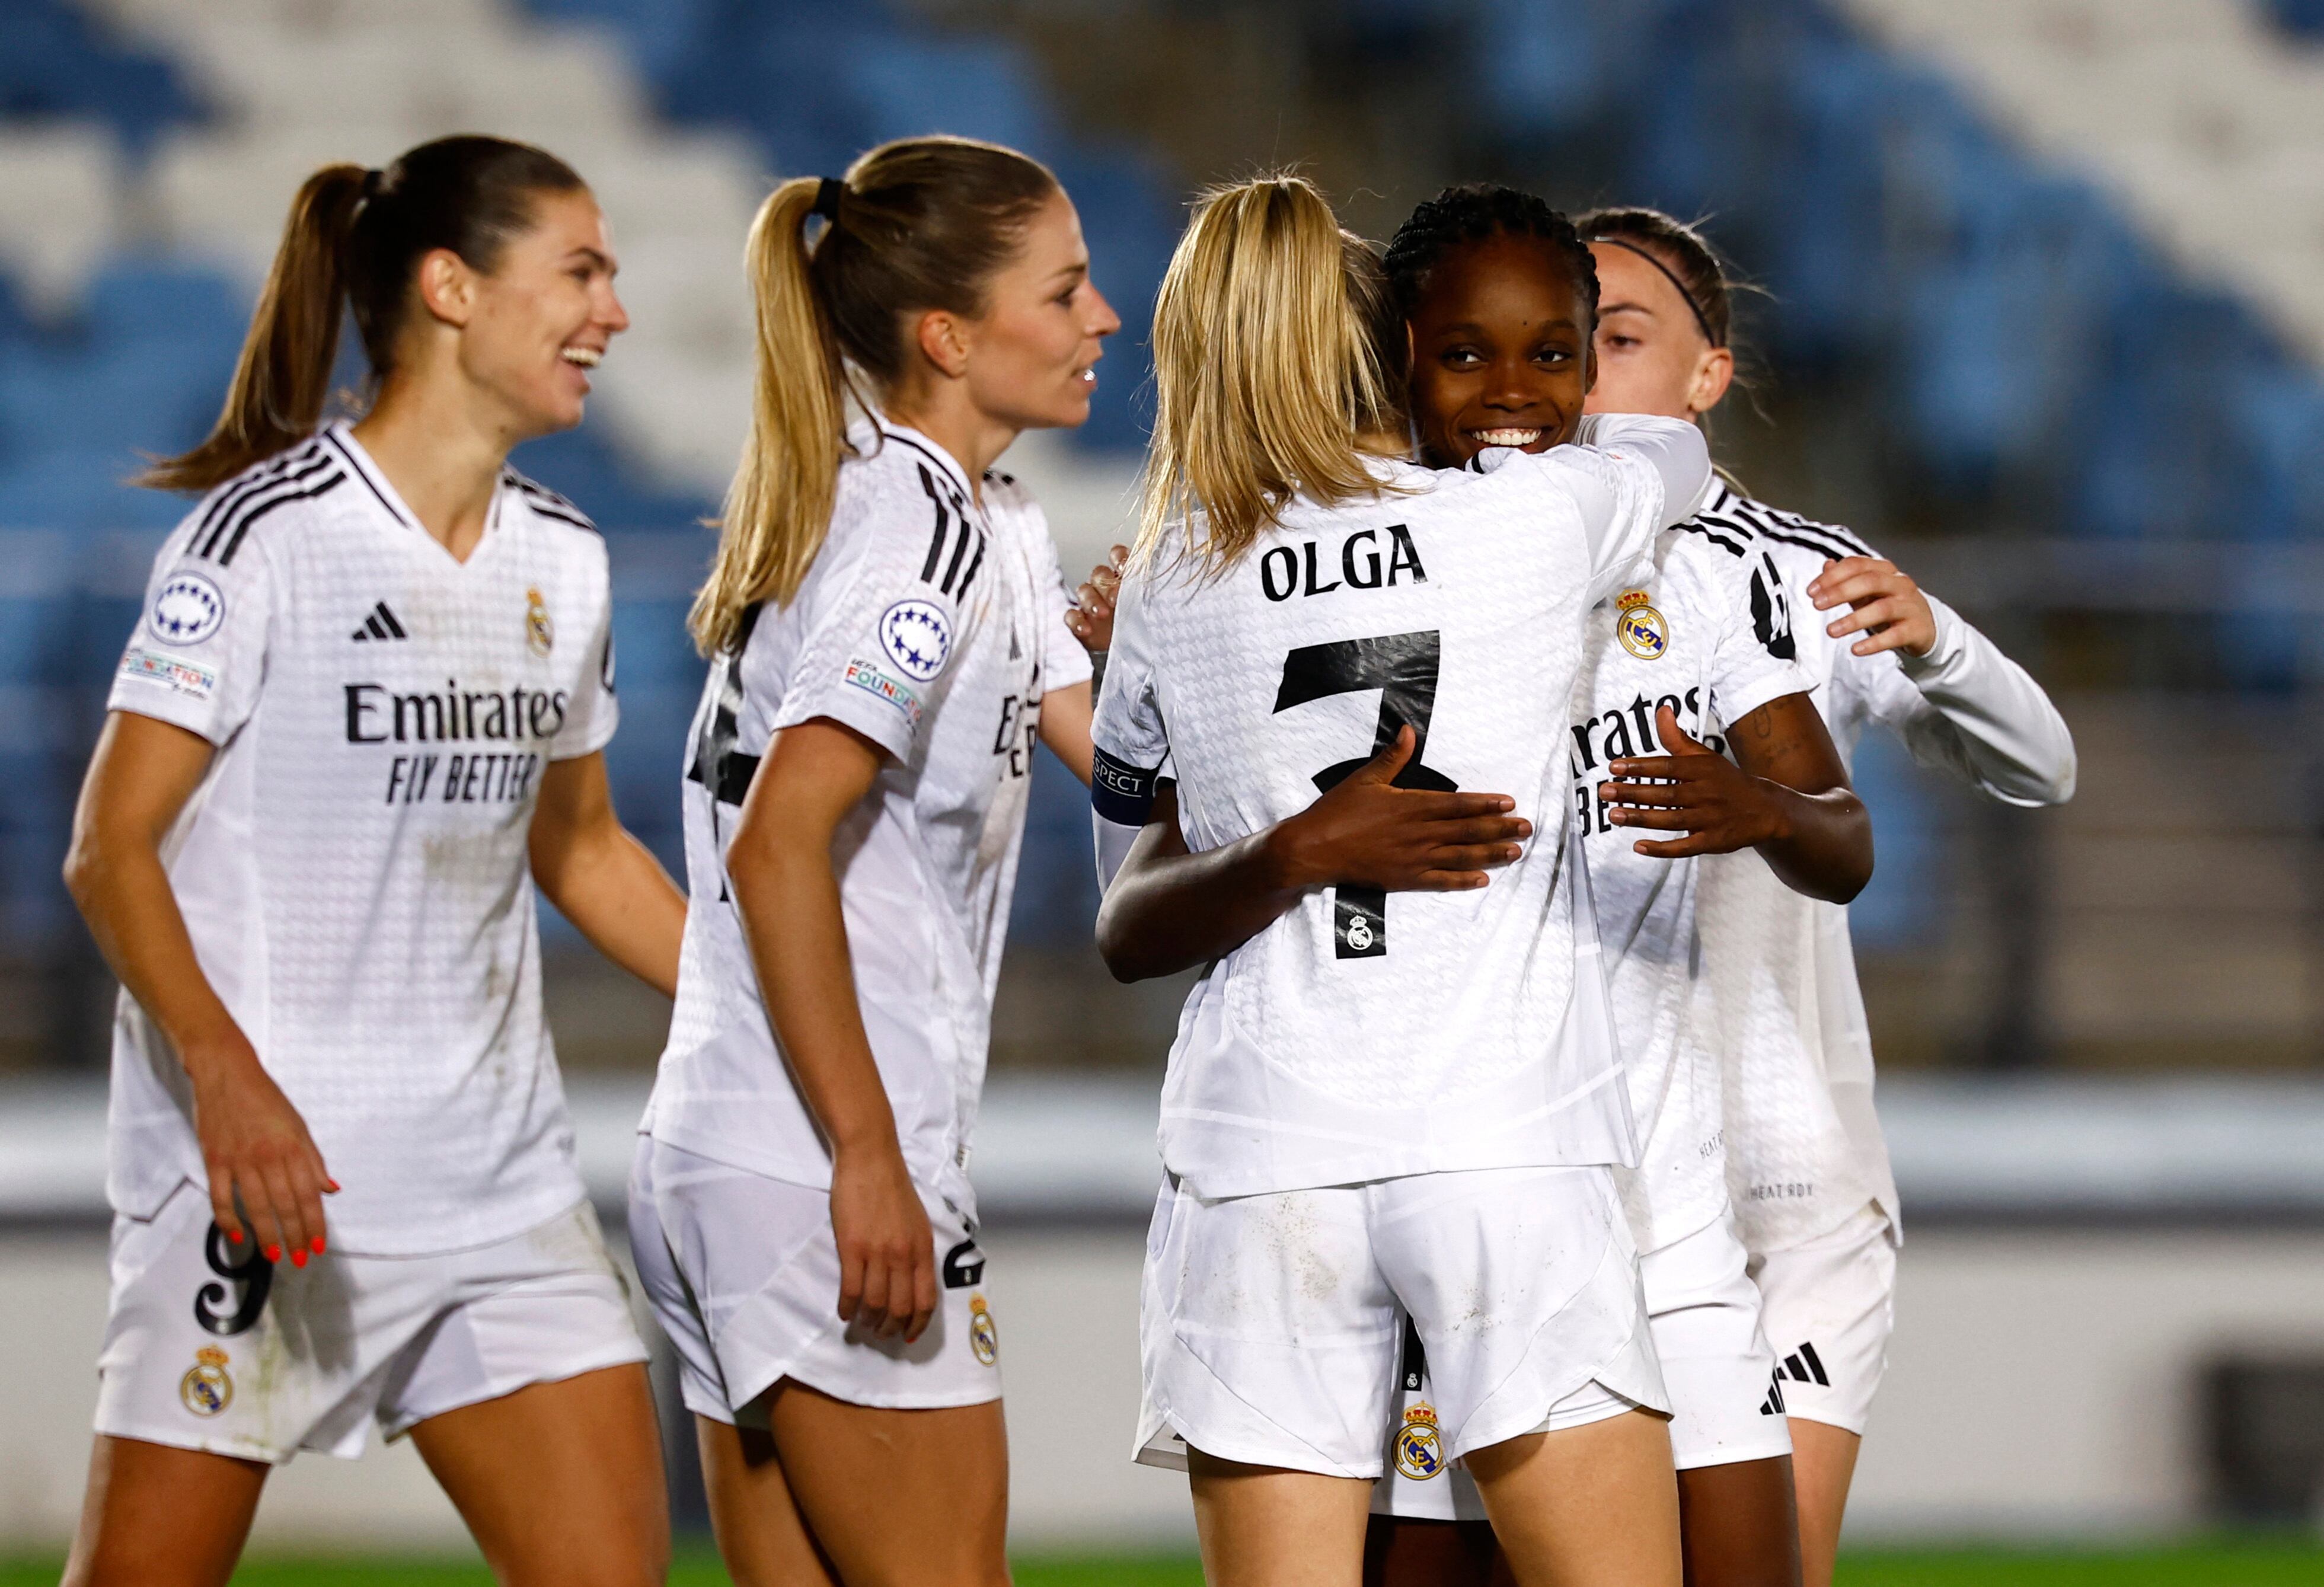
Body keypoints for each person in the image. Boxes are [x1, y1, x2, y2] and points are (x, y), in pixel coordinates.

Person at [1077, 184, 1876, 1587]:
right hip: (1504, 1138)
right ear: (1389, 348)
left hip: (1258, 1160)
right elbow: (1666, 455)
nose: (1515, 388)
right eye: (1469, 353)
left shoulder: (1171, 570)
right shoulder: (1541, 524)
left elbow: (1125, 921)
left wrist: (1292, 853)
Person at [60, 136, 685, 1587]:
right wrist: (227, 1079)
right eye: (581, 271)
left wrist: (767, 1019)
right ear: (453, 288)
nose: (615, 311)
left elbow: (582, 852)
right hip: (268, 1193)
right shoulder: (262, 539)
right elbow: (110, 848)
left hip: (501, 1193)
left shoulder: (566, 560)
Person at [626, 136, 1117, 1587]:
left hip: (723, 1144)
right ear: (949, 335)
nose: (1102, 320)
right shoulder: (923, 539)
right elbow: (783, 842)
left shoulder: (965, 520)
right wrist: (866, 1155)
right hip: (818, 1156)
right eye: (1068, 289)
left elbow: (1135, 772)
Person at [1576, 205, 2077, 1587]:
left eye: (1622, 337)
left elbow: (2043, 767)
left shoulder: (1798, 571)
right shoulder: (1500, 561)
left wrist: (1942, 642)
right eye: (1565, 340)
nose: (1582, 370)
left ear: (1706, 373)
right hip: (1574, 1175)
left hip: (1785, 1190)